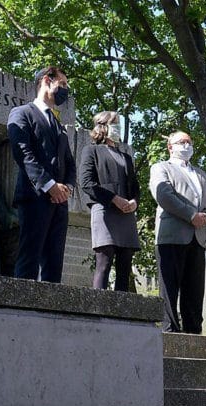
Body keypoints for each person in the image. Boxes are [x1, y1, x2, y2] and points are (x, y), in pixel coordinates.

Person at [7, 66, 76, 283]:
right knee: (29, 259)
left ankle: (51, 313)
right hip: (35, 197)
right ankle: (21, 312)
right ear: (47, 80)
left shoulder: (58, 124)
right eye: (62, 84)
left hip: (60, 203)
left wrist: (68, 187)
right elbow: (24, 153)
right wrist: (49, 185)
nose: (65, 90)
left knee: (54, 264)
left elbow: (69, 162)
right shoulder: (22, 113)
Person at [149, 131, 206, 333]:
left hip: (198, 237)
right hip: (172, 236)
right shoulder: (161, 168)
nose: (187, 145)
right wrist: (191, 215)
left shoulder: (202, 174)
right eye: (181, 142)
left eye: (189, 141)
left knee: (195, 289)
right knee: (170, 287)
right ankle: (170, 329)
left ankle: (194, 331)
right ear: (170, 147)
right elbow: (164, 195)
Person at [79, 111, 140, 291]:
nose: (118, 128)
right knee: (104, 262)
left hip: (126, 215)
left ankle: (121, 312)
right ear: (103, 126)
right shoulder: (91, 151)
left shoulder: (126, 157)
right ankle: (98, 310)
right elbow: (86, 183)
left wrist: (134, 202)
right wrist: (113, 198)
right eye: (115, 124)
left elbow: (135, 188)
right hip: (104, 211)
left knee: (125, 264)